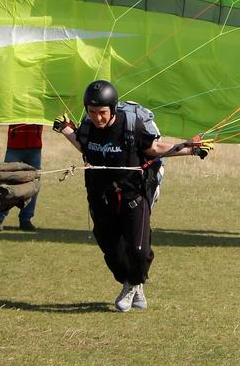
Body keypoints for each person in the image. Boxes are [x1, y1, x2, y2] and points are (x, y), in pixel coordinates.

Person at [53, 80, 211, 312]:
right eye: (92, 112)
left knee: (139, 251)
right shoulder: (88, 127)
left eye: (102, 112)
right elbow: (84, 146)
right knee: (112, 253)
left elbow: (155, 149)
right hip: (101, 198)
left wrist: (192, 149)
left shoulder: (130, 126)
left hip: (133, 196)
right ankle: (132, 282)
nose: (97, 118)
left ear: (112, 108)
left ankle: (133, 284)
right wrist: (67, 130)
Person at [0, 123, 43, 232]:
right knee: (6, 182)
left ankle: (26, 220)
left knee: (33, 185)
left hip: (34, 147)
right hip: (14, 146)